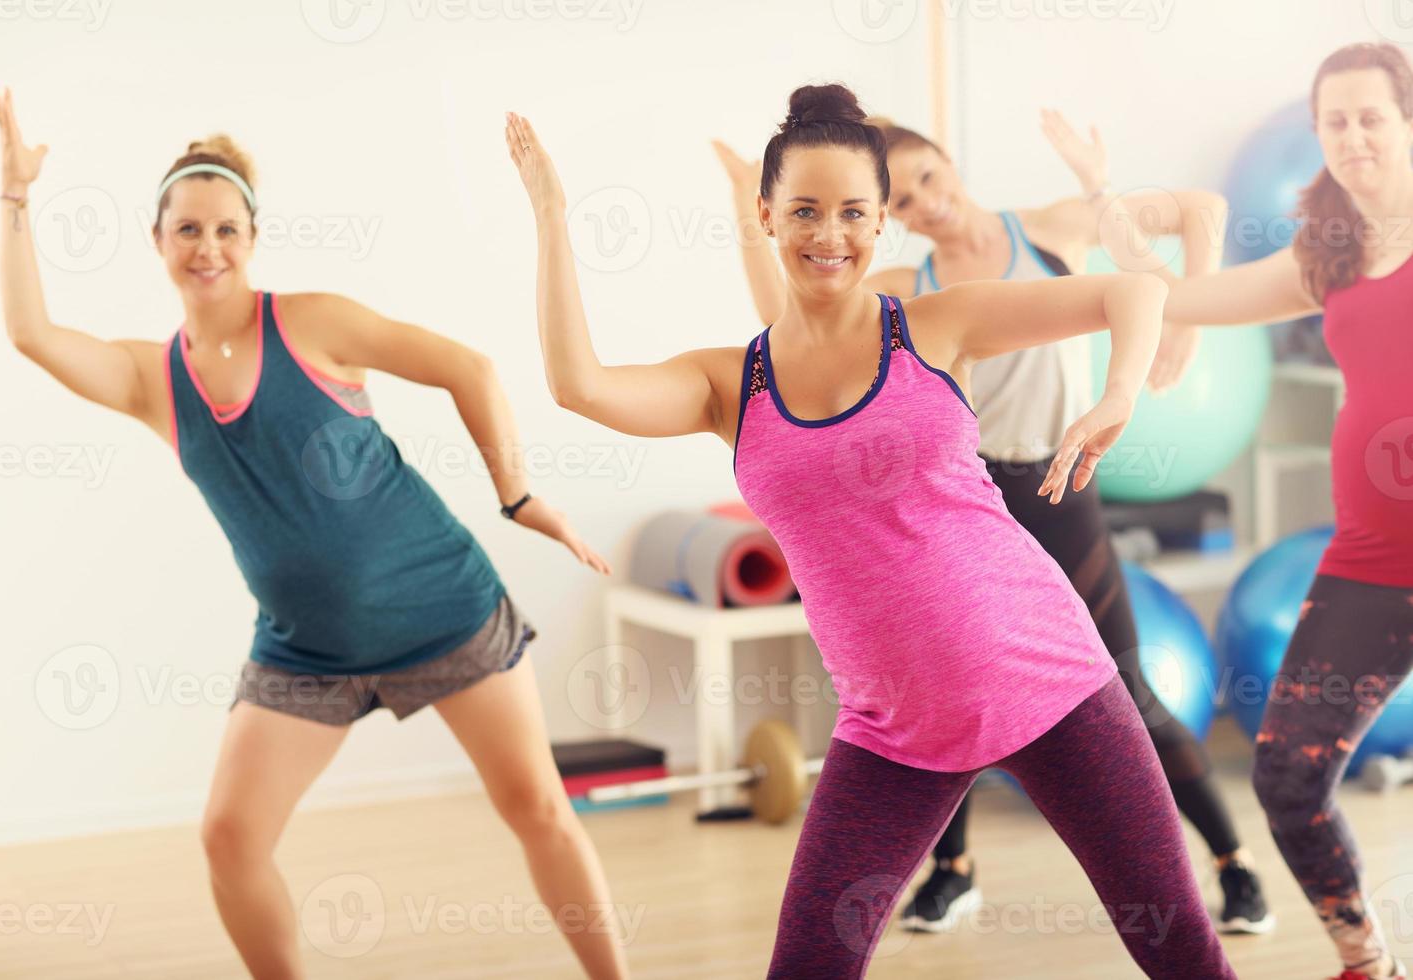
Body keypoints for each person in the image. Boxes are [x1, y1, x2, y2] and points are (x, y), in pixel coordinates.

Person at [506, 82, 1238, 978]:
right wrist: (551, 216)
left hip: (1052, 680)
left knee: (1179, 950)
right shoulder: (728, 384)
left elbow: (1132, 292)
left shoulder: (931, 327)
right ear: (766, 217)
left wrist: (1119, 395)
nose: (829, 233)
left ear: (882, 221)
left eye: (854, 211)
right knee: (810, 966)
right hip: (893, 730)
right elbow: (579, 384)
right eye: (805, 210)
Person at [0, 80, 629, 980]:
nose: (208, 247)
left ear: (251, 240)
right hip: (306, 653)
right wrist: (16, 193)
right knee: (228, 837)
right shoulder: (150, 379)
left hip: (444, 609)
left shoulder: (312, 322)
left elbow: (470, 368)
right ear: (158, 240)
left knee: (537, 809)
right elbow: (30, 333)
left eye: (226, 229)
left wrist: (517, 497)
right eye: (188, 229)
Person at [714, 110, 1272, 937]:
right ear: (889, 216)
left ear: (951, 162)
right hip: (967, 492)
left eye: (930, 178)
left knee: (1127, 686)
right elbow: (788, 329)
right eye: (904, 199)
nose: (927, 203)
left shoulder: (1042, 228)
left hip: (1057, 480)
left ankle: (1231, 860)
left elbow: (1191, 223)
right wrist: (746, 214)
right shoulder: (905, 289)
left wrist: (1165, 317)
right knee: (939, 680)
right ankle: (954, 868)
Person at [1100, 41, 1413, 980]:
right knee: (1286, 777)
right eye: (1336, 120)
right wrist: (1128, 233)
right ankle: (1368, 961)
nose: (1353, 136)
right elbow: (1178, 299)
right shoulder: (1329, 259)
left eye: (1372, 116)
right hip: (1371, 562)